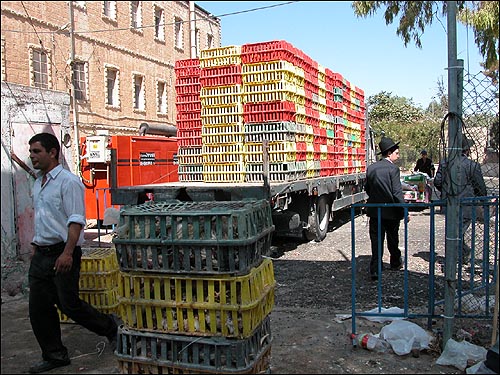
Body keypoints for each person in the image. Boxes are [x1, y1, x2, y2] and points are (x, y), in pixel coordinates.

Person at [27, 132, 121, 374]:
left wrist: (68, 253)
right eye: (31, 152)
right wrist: (36, 246)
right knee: (39, 308)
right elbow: (44, 218)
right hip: (41, 254)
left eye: (37, 151)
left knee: (69, 305)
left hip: (62, 252)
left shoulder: (68, 182)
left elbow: (76, 220)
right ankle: (55, 355)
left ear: (52, 152)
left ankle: (110, 327)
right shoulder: (38, 183)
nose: (32, 156)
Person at [434, 137, 487, 263]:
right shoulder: (472, 165)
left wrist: (447, 192)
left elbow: (437, 182)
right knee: (458, 232)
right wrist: (482, 199)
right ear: (467, 150)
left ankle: (458, 256)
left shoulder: (445, 163)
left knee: (455, 232)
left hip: (449, 204)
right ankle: (456, 258)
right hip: (466, 205)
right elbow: (480, 187)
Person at [365, 136, 408, 281]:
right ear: (389, 153)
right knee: (392, 238)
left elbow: (368, 189)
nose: (398, 155)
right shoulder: (393, 169)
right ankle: (395, 262)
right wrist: (404, 210)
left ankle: (375, 270)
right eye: (396, 152)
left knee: (376, 241)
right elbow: (397, 192)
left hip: (375, 210)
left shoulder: (371, 168)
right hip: (391, 212)